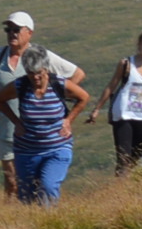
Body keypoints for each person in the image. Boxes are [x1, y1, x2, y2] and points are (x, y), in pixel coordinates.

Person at [0, 11, 79, 196]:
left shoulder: (42, 56)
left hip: (41, 135)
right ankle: (14, 217)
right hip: (7, 128)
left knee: (43, 182)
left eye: (17, 29)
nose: (12, 33)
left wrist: (54, 99)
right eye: (8, 29)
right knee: (12, 181)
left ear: (29, 32)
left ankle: (39, 214)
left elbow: (76, 74)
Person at [10, 47, 89, 202]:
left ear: (46, 69)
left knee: (48, 186)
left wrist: (68, 120)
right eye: (31, 73)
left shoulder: (58, 83)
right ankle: (30, 223)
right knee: (26, 195)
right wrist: (16, 122)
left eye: (39, 72)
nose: (36, 77)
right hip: (26, 150)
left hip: (57, 147)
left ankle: (50, 220)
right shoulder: (21, 85)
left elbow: (84, 98)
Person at [101, 22, 142, 172]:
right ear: (139, 45)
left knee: (137, 157)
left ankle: (130, 188)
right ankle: (120, 188)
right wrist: (97, 108)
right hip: (123, 114)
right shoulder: (126, 64)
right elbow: (111, 85)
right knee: (123, 157)